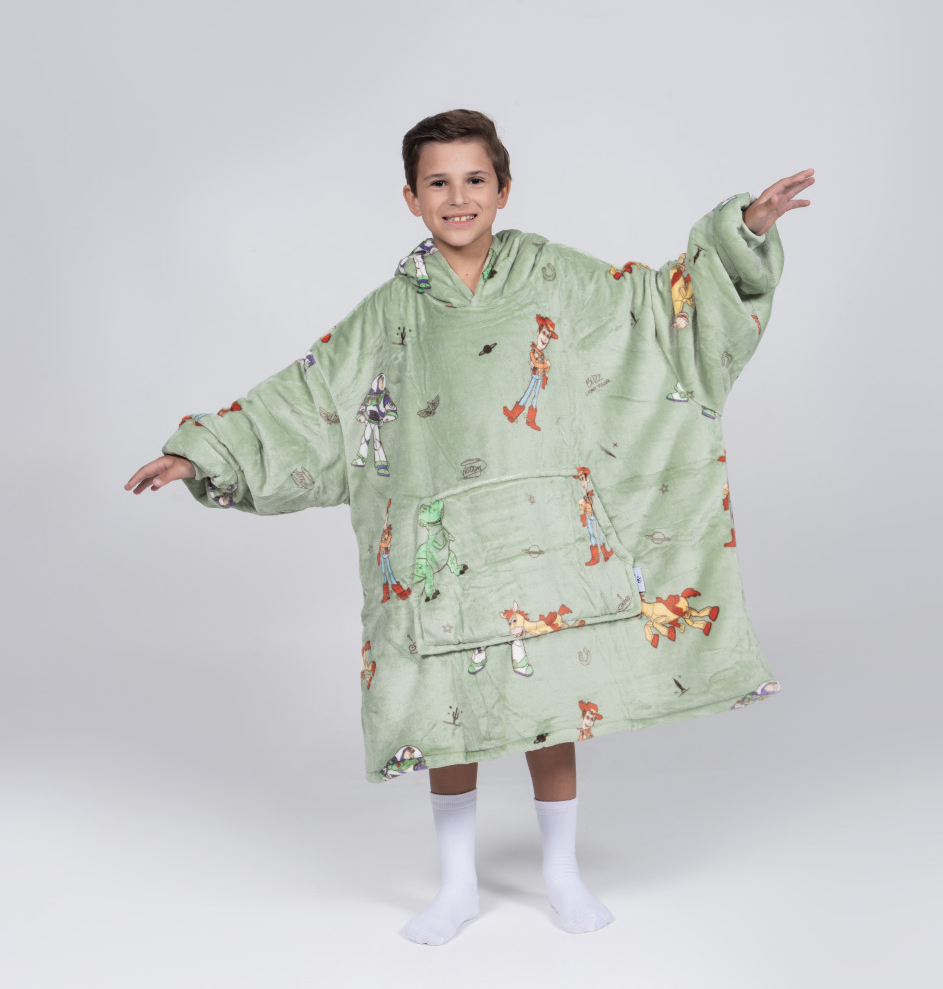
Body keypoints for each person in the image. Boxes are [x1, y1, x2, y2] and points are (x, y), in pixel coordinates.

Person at [125, 109, 813, 946]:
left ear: (504, 188)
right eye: (439, 183)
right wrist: (203, 452)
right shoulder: (391, 313)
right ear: (411, 198)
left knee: (552, 703)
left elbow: (656, 311)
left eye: (475, 180)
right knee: (442, 710)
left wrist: (743, 233)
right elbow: (309, 398)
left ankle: (561, 874)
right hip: (443, 547)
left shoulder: (558, 277)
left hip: (550, 535)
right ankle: (456, 885)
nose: (459, 198)